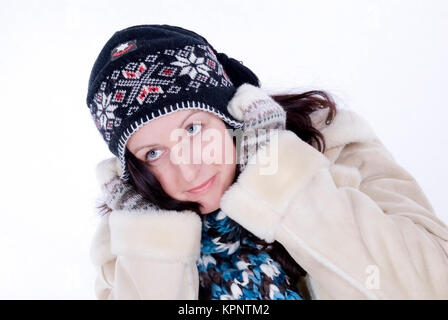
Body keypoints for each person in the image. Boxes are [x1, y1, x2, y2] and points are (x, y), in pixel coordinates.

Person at [86, 24, 448, 300]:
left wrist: (279, 181)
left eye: (193, 128)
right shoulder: (129, 240)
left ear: (229, 114)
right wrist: (154, 245)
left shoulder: (333, 148)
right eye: (153, 153)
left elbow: (432, 284)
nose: (188, 167)